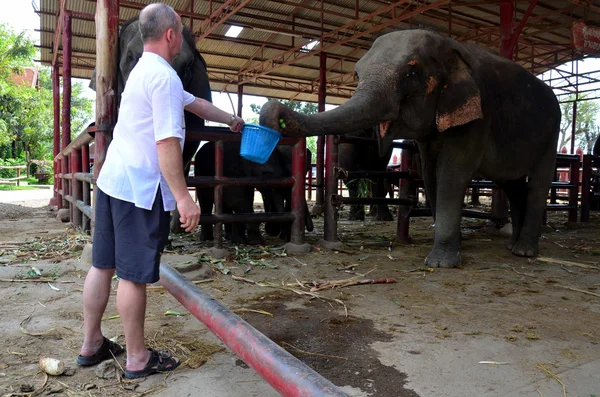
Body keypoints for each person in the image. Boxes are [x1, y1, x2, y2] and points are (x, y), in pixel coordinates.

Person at [76, 3, 244, 379]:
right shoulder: (165, 78)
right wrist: (183, 197)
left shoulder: (142, 71)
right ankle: (137, 358)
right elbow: (167, 143)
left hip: (112, 182)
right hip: (140, 188)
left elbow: (196, 102)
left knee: (102, 266)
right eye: (181, 33)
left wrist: (231, 118)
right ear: (172, 35)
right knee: (133, 275)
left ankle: (91, 345)